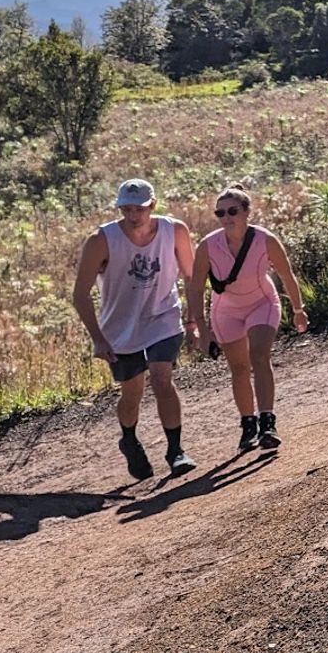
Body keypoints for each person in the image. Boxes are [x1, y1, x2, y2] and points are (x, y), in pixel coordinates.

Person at [72, 178, 198, 480]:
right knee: (132, 393)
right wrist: (98, 339)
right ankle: (129, 439)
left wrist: (194, 320)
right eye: (126, 209)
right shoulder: (101, 240)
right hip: (121, 326)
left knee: (161, 377)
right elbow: (80, 293)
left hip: (163, 316)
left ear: (152, 205)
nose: (133, 215)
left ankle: (176, 451)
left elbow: (192, 276)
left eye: (139, 208)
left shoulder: (174, 230)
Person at [189, 187, 307, 453]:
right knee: (239, 369)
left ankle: (268, 422)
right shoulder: (208, 245)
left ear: (246, 212)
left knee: (259, 356)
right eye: (220, 213)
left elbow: (287, 275)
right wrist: (200, 328)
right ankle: (248, 425)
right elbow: (196, 287)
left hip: (262, 303)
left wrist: (298, 310)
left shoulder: (265, 239)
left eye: (232, 211)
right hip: (226, 310)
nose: (226, 217)